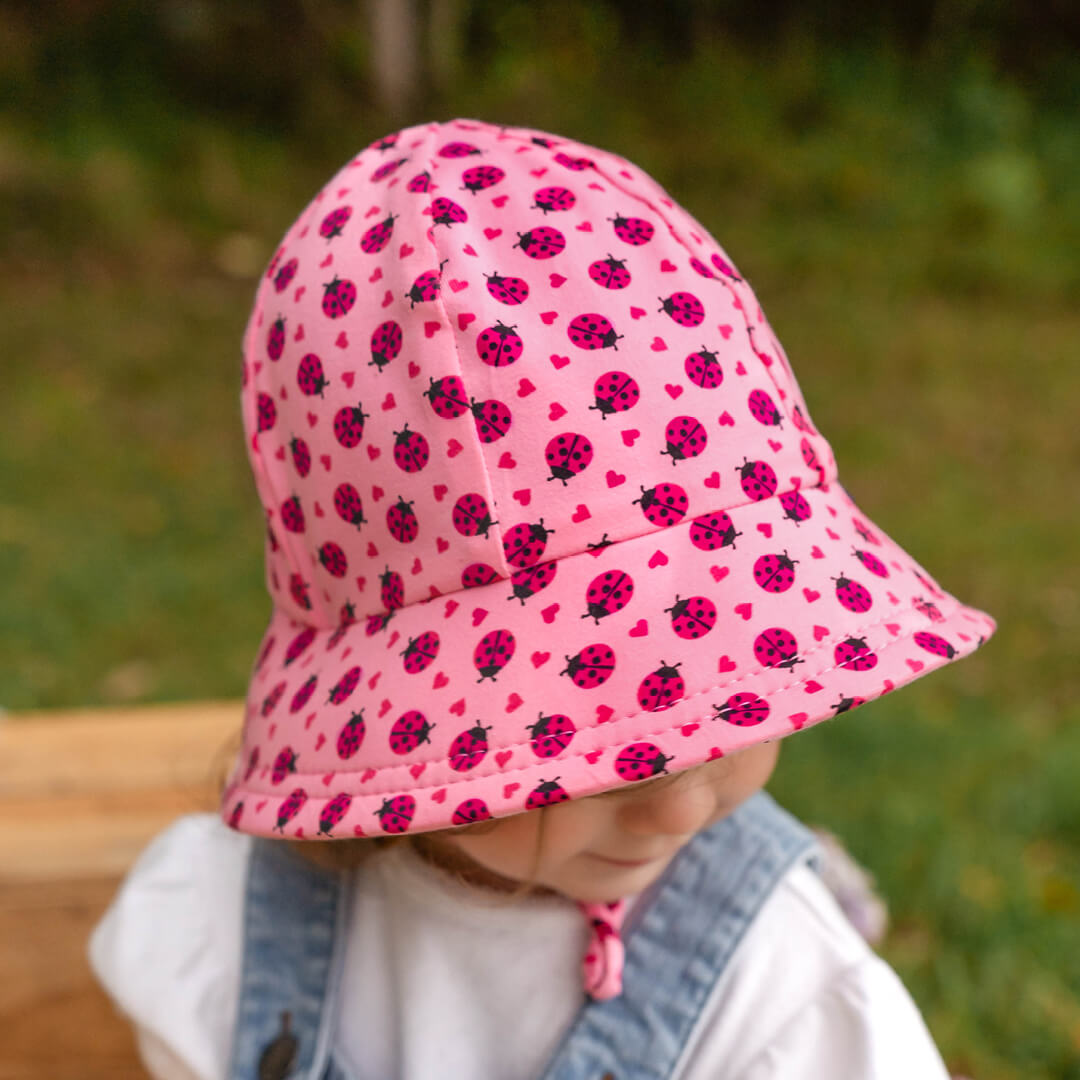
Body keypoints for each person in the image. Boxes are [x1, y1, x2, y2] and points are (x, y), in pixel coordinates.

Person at [87, 117, 996, 1080]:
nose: (681, 803)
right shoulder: (226, 929)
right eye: (607, 746)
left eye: (719, 700)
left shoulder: (783, 1002)